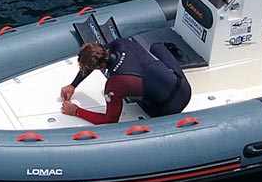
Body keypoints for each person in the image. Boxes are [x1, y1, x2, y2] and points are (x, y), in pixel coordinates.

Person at [60, 39, 191, 124]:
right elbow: (97, 59)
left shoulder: (114, 84)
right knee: (156, 46)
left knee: (130, 97)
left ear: (99, 68)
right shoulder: (121, 43)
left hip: (169, 108)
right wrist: (73, 85)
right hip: (184, 87)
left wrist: (76, 111)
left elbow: (110, 120)